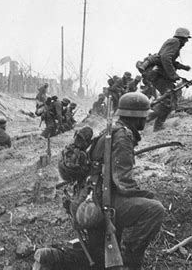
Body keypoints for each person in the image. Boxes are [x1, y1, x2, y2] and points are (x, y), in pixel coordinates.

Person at [33, 92, 165, 270]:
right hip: (100, 203)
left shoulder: (110, 132)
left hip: (85, 201)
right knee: (154, 209)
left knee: (98, 260)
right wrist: (149, 196)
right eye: (144, 116)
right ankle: (130, 262)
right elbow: (123, 182)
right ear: (137, 117)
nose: (146, 120)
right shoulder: (123, 137)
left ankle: (51, 258)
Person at [150, 27, 192, 131]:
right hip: (159, 76)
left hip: (160, 75)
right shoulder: (175, 42)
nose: (186, 42)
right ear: (182, 38)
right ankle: (146, 122)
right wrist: (173, 75)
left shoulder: (173, 42)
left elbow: (168, 59)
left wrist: (182, 67)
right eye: (186, 39)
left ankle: (155, 125)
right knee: (168, 99)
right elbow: (165, 58)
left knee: (169, 99)